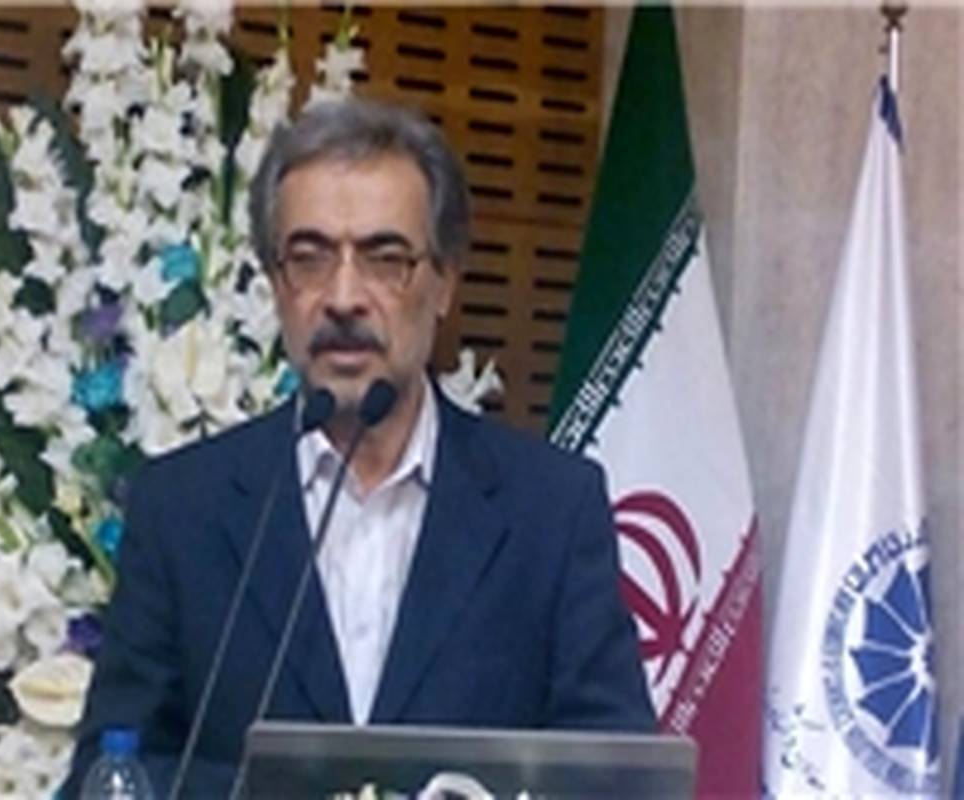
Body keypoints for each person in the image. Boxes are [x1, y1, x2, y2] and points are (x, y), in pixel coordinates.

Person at [64, 97, 654, 797]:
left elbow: (619, 781)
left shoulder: (550, 510)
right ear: (275, 284)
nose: (343, 297)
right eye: (309, 259)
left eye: (384, 259)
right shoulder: (184, 508)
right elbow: (111, 777)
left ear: (444, 282)